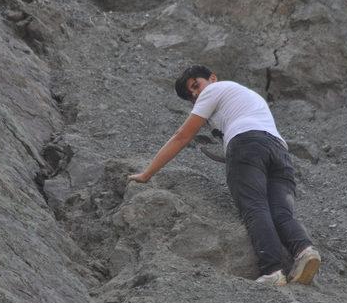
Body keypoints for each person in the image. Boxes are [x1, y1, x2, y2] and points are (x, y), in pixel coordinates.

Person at [128, 65, 321, 286]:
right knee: (280, 212)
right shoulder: (244, 95)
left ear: (212, 78)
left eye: (195, 86)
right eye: (191, 96)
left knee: (255, 207)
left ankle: (272, 271)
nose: (195, 95)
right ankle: (305, 252)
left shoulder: (213, 90)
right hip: (279, 152)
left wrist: (147, 173)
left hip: (246, 145)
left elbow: (182, 137)